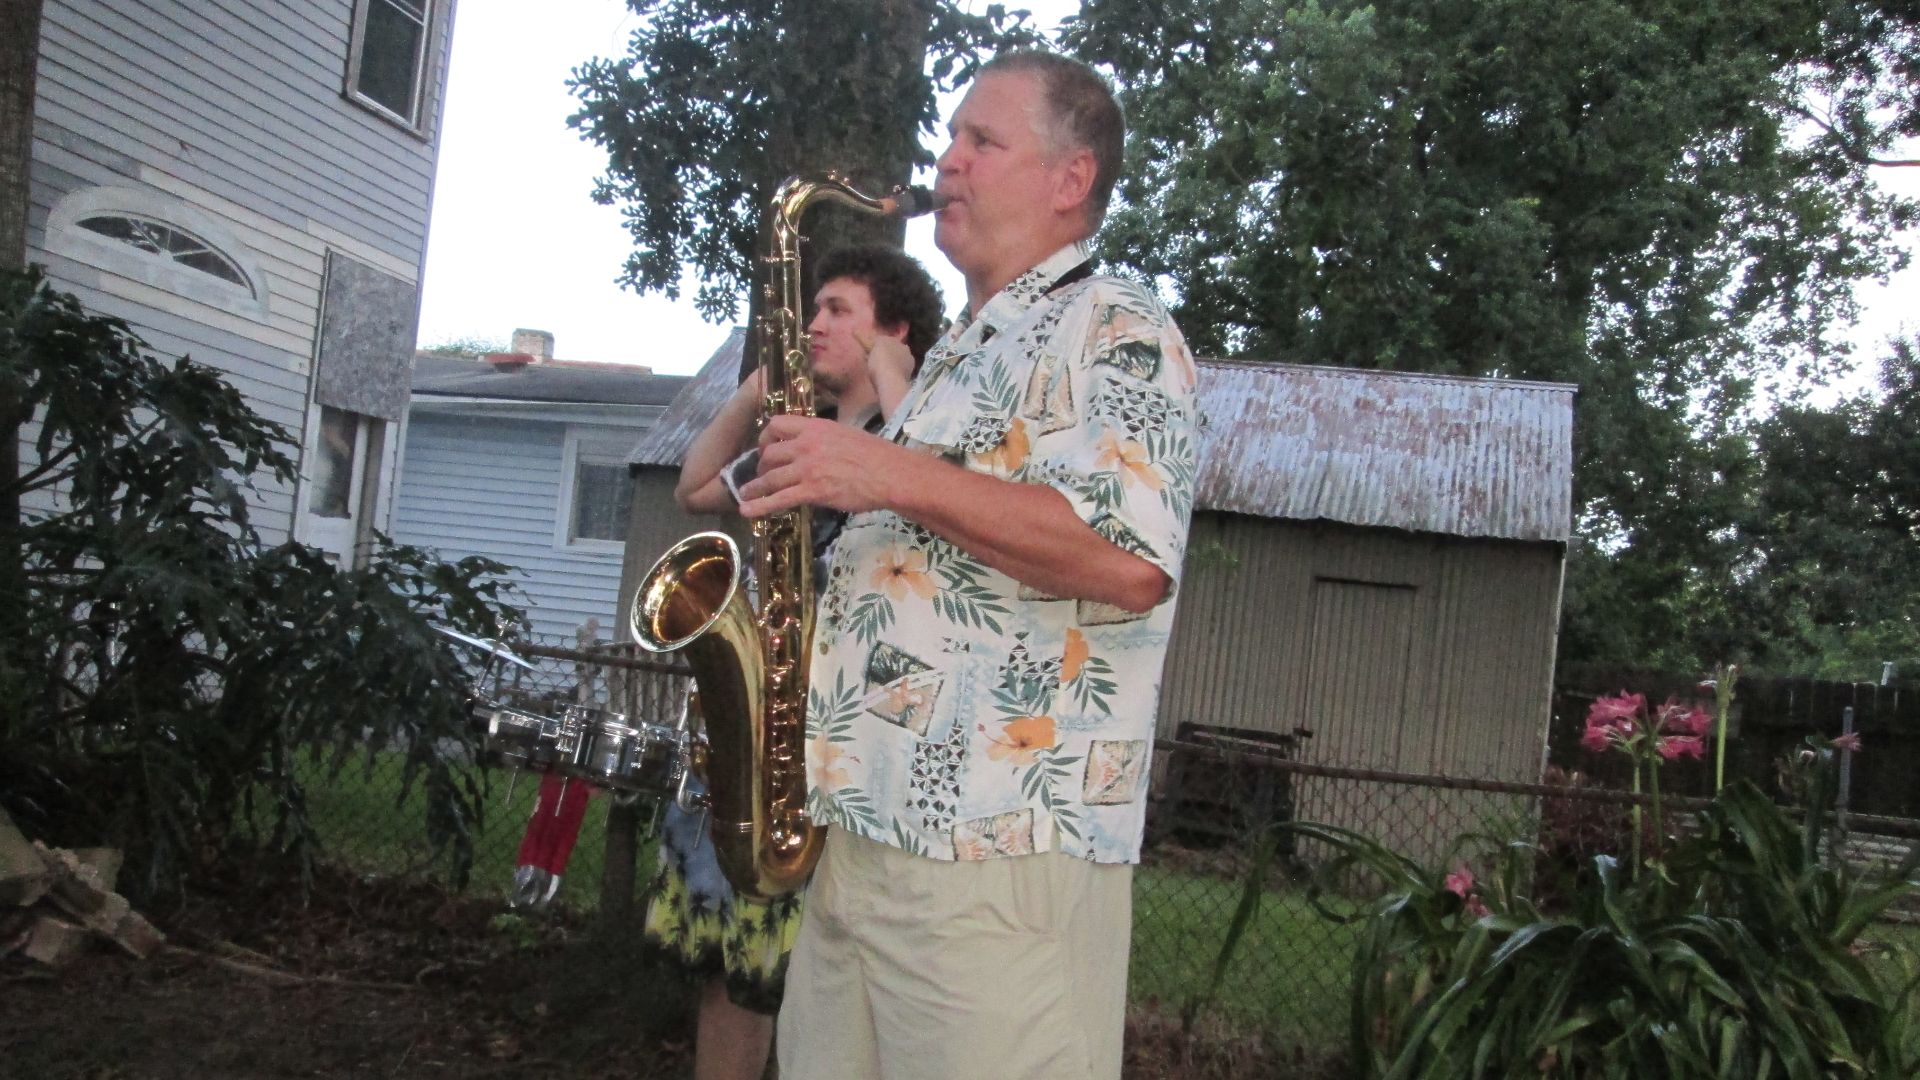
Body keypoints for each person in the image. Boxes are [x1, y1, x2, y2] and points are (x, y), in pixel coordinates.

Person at [740, 50, 1199, 1080]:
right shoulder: (961, 352)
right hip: (863, 835)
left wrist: (886, 471)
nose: (948, 162)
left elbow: (1127, 561)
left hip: (996, 855)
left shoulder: (1114, 324)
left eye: (982, 141)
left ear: (1069, 179)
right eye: (950, 139)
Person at [641, 243, 945, 1080]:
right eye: (812, 310)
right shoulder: (801, 440)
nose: (813, 325)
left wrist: (896, 376)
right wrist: (755, 390)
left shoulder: (917, 431)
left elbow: (938, 496)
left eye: (837, 311)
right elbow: (697, 488)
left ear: (893, 329)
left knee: (823, 985)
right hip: (761, 733)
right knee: (732, 975)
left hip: (850, 754)